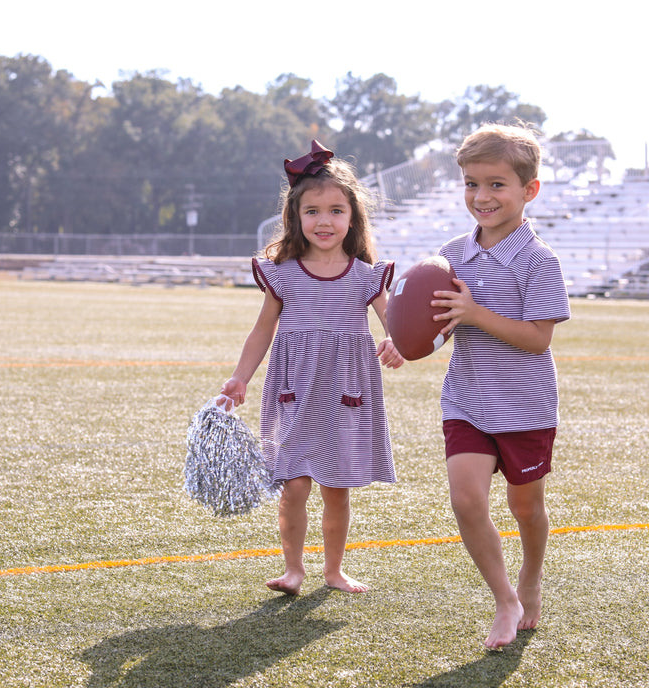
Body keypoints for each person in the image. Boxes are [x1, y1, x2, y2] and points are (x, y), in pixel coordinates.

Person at [221, 140, 404, 595]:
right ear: (296, 218)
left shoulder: (367, 274)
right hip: (294, 390)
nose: (324, 221)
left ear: (352, 217)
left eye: (336, 210)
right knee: (294, 486)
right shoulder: (282, 272)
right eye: (313, 211)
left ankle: (334, 570)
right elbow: (262, 330)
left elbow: (395, 325)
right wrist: (240, 377)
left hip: (345, 392)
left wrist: (396, 342)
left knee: (336, 489)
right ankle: (294, 570)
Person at [430, 123, 571, 648]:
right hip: (466, 399)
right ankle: (505, 598)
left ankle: (530, 577)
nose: (481, 196)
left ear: (528, 190)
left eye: (495, 184)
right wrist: (408, 340)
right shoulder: (450, 254)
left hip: (525, 406)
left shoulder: (540, 260)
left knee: (526, 508)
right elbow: (440, 323)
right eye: (471, 183)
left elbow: (537, 339)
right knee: (467, 500)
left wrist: (474, 312)